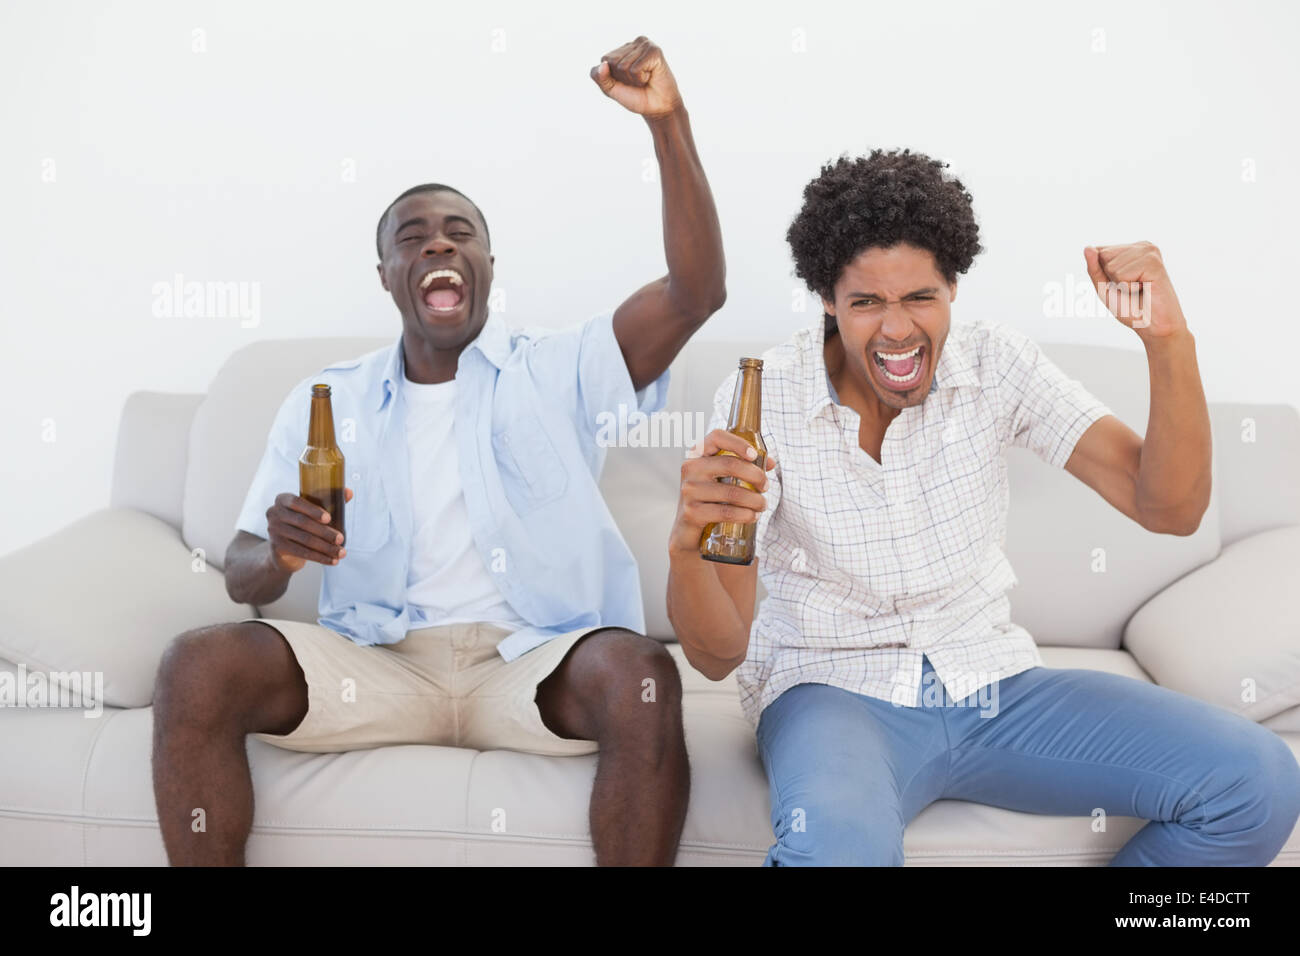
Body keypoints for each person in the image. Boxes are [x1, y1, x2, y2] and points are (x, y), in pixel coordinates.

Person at [152, 36, 724, 867]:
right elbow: (244, 573)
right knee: (196, 665)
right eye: (412, 237)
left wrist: (666, 123)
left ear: (488, 263)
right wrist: (278, 554)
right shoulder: (330, 401)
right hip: (376, 664)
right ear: (387, 274)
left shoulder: (557, 366)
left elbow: (695, 292)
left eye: (460, 232)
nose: (437, 245)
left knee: (640, 673)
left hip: (531, 664)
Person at [666, 148, 1300, 865]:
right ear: (826, 298)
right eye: (867, 302)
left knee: (1258, 778)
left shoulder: (996, 364)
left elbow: (1172, 510)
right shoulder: (764, 399)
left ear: (954, 287)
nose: (898, 330)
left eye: (920, 297)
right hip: (832, 695)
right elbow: (718, 656)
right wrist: (685, 545)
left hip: (994, 684)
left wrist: (1167, 340)